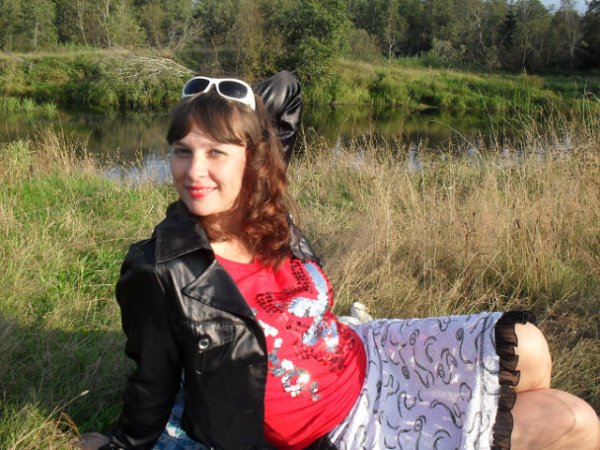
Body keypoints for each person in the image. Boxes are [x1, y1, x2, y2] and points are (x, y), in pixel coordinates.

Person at [82, 72, 600, 450]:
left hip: (371, 354)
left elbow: (287, 90)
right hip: (339, 426)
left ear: (255, 158)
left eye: (217, 151)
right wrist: (123, 444)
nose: (194, 171)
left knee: (529, 345)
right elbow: (151, 381)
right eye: (182, 150)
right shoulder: (160, 268)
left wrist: (228, 102)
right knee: (573, 420)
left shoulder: (264, 212)